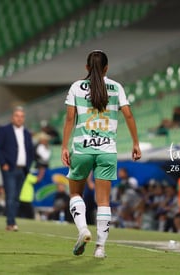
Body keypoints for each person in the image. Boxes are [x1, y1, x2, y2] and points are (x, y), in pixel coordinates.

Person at [61, 50, 141, 258]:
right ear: (107, 68)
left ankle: (82, 230)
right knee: (103, 201)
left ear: (87, 68)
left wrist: (63, 146)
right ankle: (100, 248)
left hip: (82, 149)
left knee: (75, 194)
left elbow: (70, 119)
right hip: (107, 150)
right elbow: (128, 115)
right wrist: (135, 143)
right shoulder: (116, 87)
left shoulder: (77, 87)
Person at [0, 106, 34, 231]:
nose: (19, 118)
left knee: (16, 198)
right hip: (10, 168)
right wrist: (3, 163)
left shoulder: (27, 133)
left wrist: (28, 165)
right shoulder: (4, 130)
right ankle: (11, 222)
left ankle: (11, 220)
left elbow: (30, 150)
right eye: (17, 116)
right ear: (12, 117)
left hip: (22, 170)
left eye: (22, 116)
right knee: (10, 196)